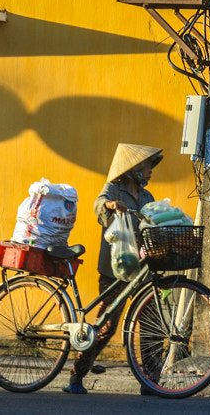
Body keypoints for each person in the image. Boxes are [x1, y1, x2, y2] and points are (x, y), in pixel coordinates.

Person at [63, 143, 163, 395]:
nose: (150, 171)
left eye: (150, 167)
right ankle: (77, 375)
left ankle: (150, 380)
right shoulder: (113, 189)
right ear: (134, 169)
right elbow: (99, 204)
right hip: (115, 269)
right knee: (107, 325)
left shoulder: (147, 197)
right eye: (147, 167)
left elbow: (153, 223)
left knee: (151, 323)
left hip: (141, 270)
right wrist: (110, 206)